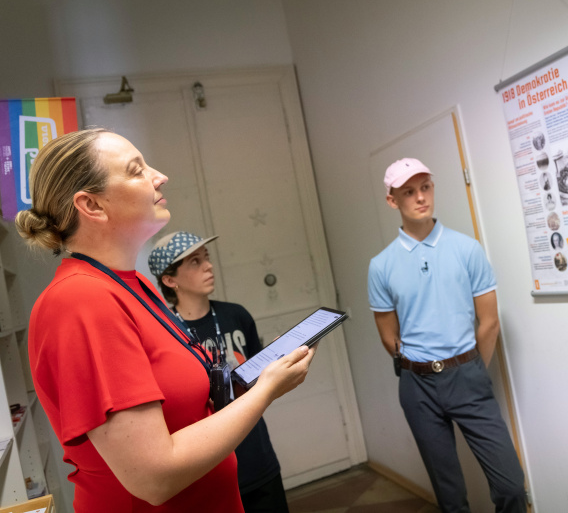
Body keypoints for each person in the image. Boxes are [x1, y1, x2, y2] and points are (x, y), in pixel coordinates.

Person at [15, 128, 314, 513]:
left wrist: (255, 378)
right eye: (137, 170)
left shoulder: (131, 284)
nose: (159, 176)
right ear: (92, 205)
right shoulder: (80, 301)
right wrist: (266, 390)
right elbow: (154, 478)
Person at [368, 157, 526, 512]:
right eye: (409, 192)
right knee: (451, 497)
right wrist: (418, 362)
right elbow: (388, 335)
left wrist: (471, 369)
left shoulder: (466, 249)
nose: (420, 197)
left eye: (425, 187)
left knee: (511, 484)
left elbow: (489, 323)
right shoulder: (381, 266)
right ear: (393, 200)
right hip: (417, 385)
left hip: (467, 375)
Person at [148, 231, 289, 513]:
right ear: (170, 280)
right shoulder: (165, 333)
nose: (208, 266)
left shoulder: (236, 315)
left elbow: (255, 377)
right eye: (195, 262)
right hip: (209, 467)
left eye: (207, 258)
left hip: (257, 454)